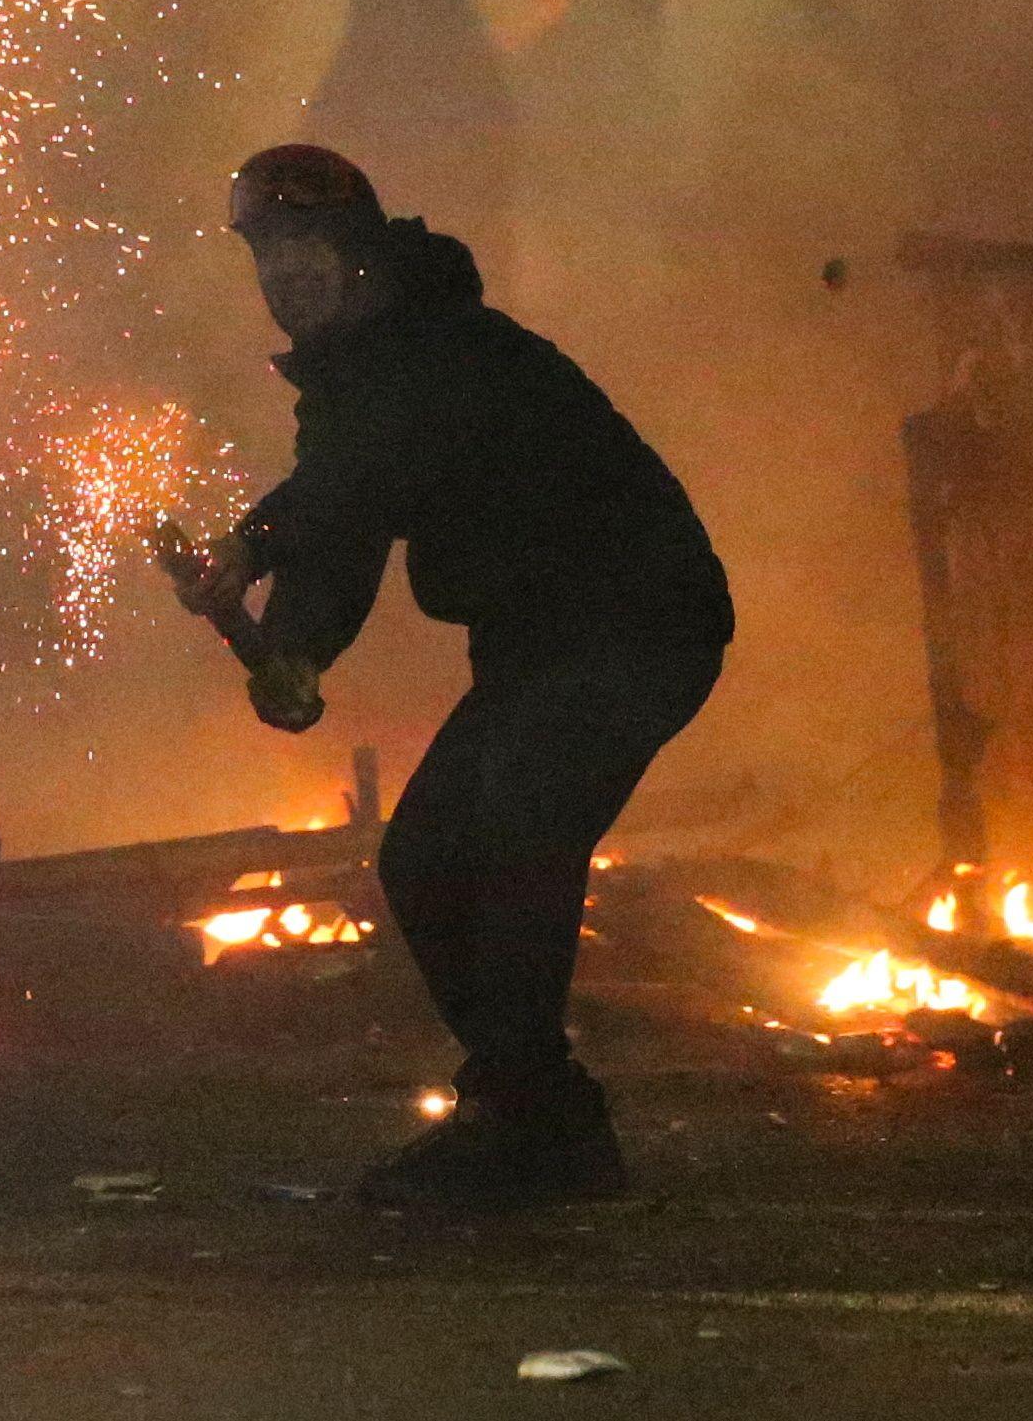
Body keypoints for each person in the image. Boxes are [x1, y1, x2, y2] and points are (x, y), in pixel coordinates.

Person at [169, 144, 732, 1210]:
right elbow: (341, 525)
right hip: (537, 648)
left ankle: (522, 1120)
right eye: (267, 254)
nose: (285, 274)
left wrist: (252, 549)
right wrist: (290, 644)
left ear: (359, 255)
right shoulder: (355, 378)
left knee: (521, 823)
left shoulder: (435, 345)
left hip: (632, 619)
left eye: (306, 248)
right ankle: (538, 1112)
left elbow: (353, 482)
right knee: (423, 858)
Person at [306, 0, 518, 257]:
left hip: (440, 232)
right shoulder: (371, 46)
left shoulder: (374, 44)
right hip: (409, 235)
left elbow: (495, 148)